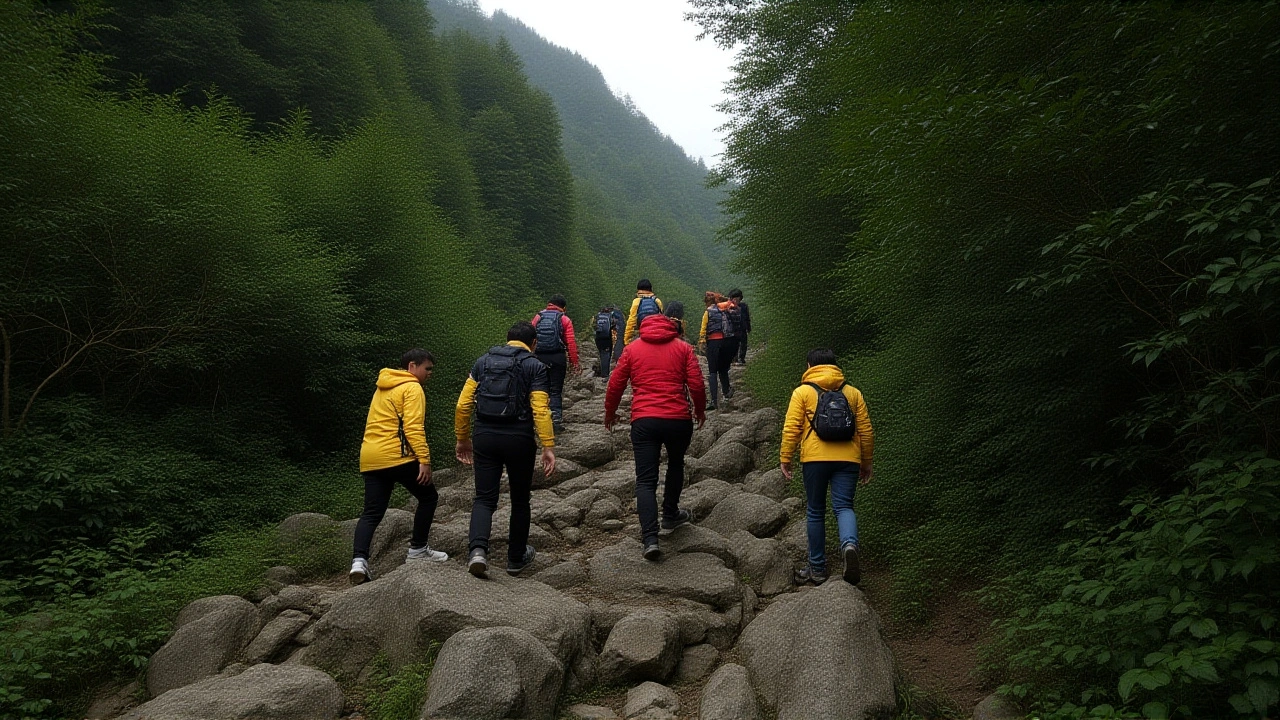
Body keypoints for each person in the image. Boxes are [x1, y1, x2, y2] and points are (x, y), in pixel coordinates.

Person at [455, 322, 557, 578]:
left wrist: (462, 438)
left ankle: (478, 551)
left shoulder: (482, 362)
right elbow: (541, 410)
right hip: (518, 439)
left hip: (485, 437)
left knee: (484, 498)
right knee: (520, 499)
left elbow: (463, 404)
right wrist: (548, 446)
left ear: (507, 339)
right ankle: (516, 557)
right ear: (534, 343)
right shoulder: (535, 366)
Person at [604, 312, 707, 560]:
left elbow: (615, 383)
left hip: (644, 420)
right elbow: (696, 384)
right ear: (671, 326)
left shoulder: (632, 349)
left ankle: (650, 538)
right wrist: (700, 410)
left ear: (641, 327)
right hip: (678, 419)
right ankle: (670, 515)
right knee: (675, 464)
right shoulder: (683, 348)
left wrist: (610, 412)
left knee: (645, 480)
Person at [778, 348, 874, 586]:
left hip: (815, 459)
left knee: (815, 510)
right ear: (835, 366)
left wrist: (785, 457)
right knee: (843, 506)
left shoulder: (802, 392)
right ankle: (849, 545)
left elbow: (791, 428)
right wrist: (866, 462)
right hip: (848, 459)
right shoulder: (852, 393)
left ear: (810, 366)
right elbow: (866, 430)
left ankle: (817, 568)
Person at [351, 349, 447, 585]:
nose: (429, 374)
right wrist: (424, 460)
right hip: (398, 456)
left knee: (372, 513)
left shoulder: (383, 386)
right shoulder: (412, 387)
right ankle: (418, 550)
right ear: (412, 366)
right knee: (428, 498)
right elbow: (413, 427)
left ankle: (358, 561)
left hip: (371, 456)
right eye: (427, 368)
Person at [531, 294, 580, 432]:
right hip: (557, 357)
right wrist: (574, 362)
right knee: (555, 390)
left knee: (540, 389)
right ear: (563, 307)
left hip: (539, 357)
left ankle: (539, 420)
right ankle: (556, 421)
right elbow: (570, 342)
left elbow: (529, 336)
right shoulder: (564, 319)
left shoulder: (538, 317)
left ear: (549, 304)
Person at [698, 292, 741, 410]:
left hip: (714, 342)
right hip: (729, 342)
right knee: (723, 369)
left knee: (712, 371)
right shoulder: (726, 309)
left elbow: (703, 329)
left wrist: (702, 342)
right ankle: (726, 392)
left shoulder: (708, 312)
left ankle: (714, 401)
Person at [623, 279, 664, 345]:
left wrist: (627, 339)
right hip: (656, 333)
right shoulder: (657, 301)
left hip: (642, 333)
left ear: (638, 290)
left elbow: (631, 321)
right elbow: (662, 318)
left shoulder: (636, 301)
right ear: (651, 289)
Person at [593, 305, 620, 378]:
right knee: (606, 355)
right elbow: (615, 326)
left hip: (598, 338)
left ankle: (601, 371)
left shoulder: (597, 316)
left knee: (602, 354)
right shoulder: (610, 316)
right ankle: (605, 375)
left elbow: (593, 326)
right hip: (606, 338)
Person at [728, 289, 751, 364]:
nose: (736, 300)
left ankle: (742, 358)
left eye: (738, 298)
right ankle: (734, 359)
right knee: (734, 344)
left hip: (742, 328)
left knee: (743, 343)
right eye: (734, 298)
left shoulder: (744, 306)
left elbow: (747, 317)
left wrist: (748, 327)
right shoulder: (729, 307)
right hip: (733, 329)